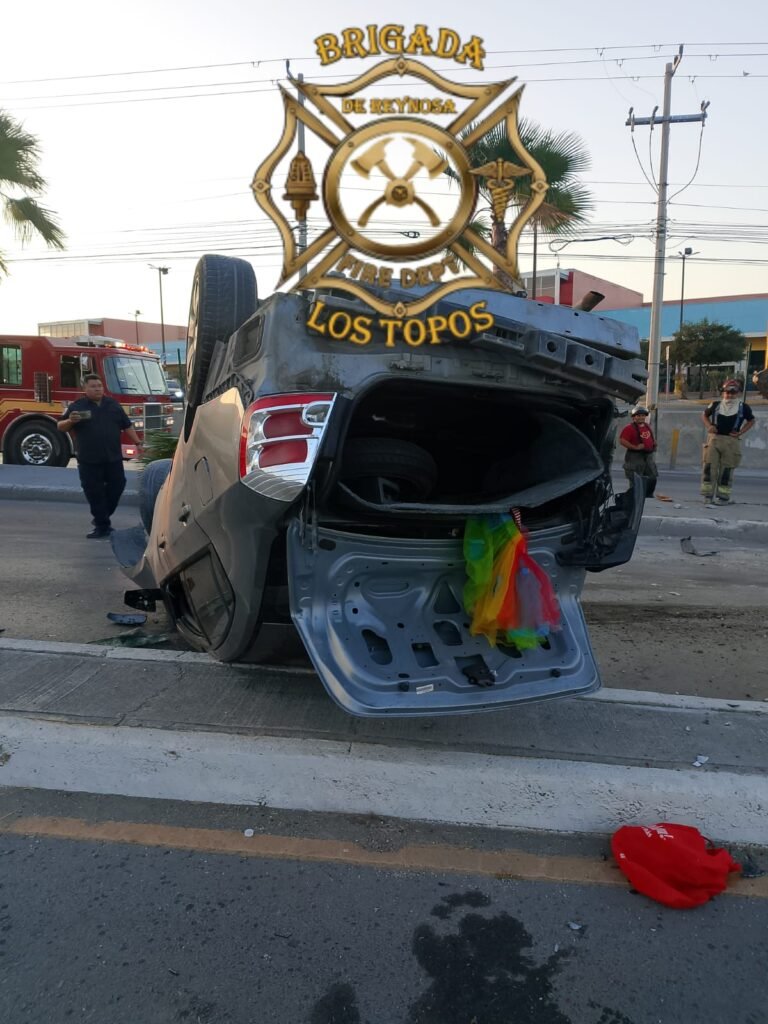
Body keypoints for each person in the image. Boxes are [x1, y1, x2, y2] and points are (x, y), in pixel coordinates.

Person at [57, 374, 141, 537]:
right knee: (94, 492)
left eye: (99, 386)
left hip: (113, 457)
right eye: (93, 386)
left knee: (118, 485)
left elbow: (127, 425)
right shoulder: (77, 406)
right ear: (85, 389)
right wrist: (71, 421)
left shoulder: (113, 405)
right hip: (89, 460)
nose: (97, 389)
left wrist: (138, 443)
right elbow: (60, 426)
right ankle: (102, 526)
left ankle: (101, 517)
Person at [700, 379, 755, 504]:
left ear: (738, 393)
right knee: (709, 467)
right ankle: (707, 497)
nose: (729, 395)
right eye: (727, 392)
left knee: (726, 470)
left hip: (731, 442)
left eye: (733, 393)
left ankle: (723, 497)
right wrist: (709, 426)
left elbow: (751, 420)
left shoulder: (744, 407)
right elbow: (703, 415)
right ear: (723, 393)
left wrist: (740, 432)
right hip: (714, 440)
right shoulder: (715, 405)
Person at [619, 405, 658, 497]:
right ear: (633, 417)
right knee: (636, 478)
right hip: (635, 457)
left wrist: (654, 443)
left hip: (648, 456)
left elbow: (649, 437)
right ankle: (634, 496)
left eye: (643, 415)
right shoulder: (629, 428)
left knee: (652, 476)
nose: (641, 417)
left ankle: (647, 494)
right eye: (638, 415)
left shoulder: (647, 426)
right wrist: (635, 447)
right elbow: (622, 440)